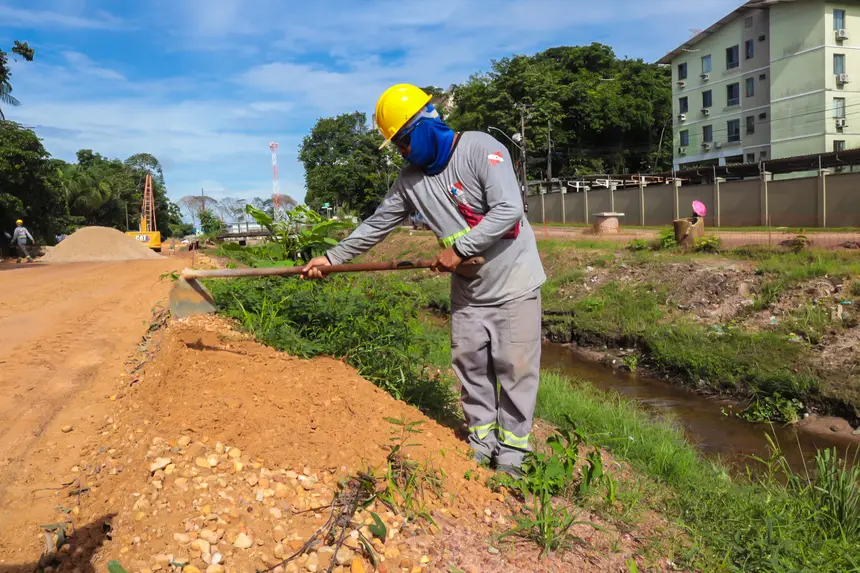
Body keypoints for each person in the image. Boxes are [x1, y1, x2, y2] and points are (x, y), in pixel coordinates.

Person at [302, 84, 546, 476]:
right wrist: (331, 258)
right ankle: (482, 444)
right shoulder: (410, 181)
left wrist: (460, 249)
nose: (402, 152)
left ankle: (514, 458)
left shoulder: (480, 149)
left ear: (425, 124)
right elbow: (376, 225)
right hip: (470, 291)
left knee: (515, 370)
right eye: (396, 145)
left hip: (514, 284)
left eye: (402, 142)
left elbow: (509, 210)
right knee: (470, 367)